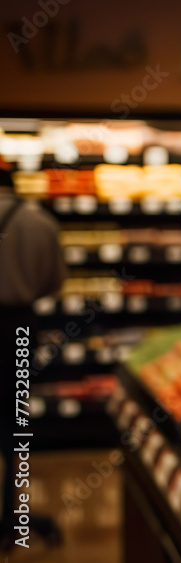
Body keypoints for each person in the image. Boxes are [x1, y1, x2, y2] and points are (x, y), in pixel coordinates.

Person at [0, 163, 66, 550]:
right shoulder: (40, 220)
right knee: (14, 422)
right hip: (20, 329)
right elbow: (55, 281)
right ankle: (16, 517)